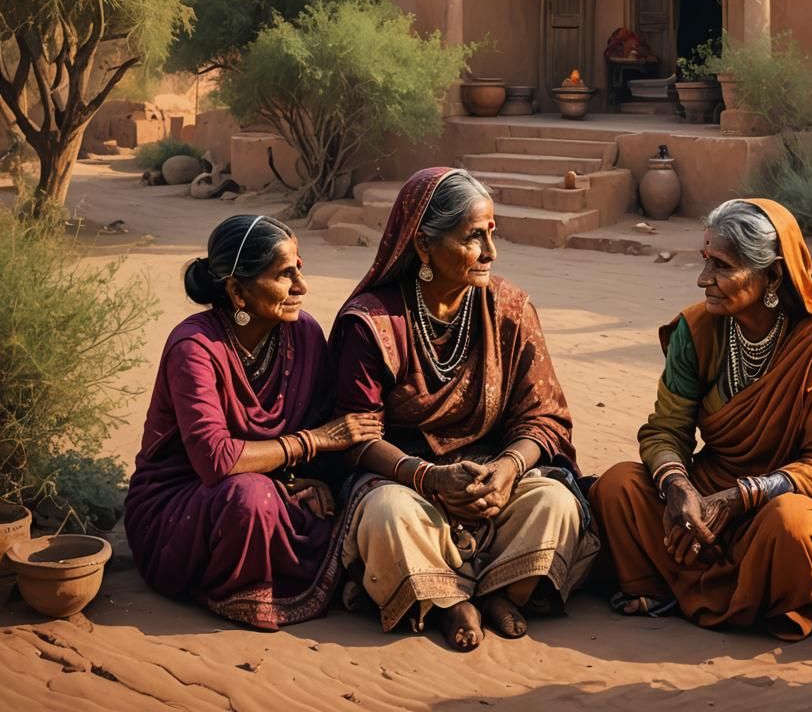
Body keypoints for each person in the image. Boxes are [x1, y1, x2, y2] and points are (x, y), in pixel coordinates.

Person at [590, 198, 812, 639]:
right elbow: (665, 431)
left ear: (772, 274)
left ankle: (711, 594)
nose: (703, 280)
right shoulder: (695, 331)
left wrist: (738, 499)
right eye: (704, 262)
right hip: (711, 494)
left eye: (721, 266)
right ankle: (701, 594)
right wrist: (678, 489)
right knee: (619, 486)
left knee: (790, 527)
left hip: (791, 503)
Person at [329, 168, 598, 652]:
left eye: (491, 235)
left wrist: (508, 469)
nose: (490, 254)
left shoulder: (510, 309)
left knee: (555, 505)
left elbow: (545, 417)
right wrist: (429, 479)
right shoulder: (371, 323)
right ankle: (453, 602)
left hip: (495, 481)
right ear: (424, 246)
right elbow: (356, 436)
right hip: (404, 482)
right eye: (473, 237)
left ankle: (495, 590)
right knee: (388, 516)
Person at [124, 214, 382, 630]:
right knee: (251, 501)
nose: (302, 286)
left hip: (274, 485)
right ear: (238, 292)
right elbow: (216, 461)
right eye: (285, 274)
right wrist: (314, 442)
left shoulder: (305, 334)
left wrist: (301, 479)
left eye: (300, 268)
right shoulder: (194, 348)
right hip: (183, 506)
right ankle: (234, 592)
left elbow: (322, 420)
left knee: (353, 501)